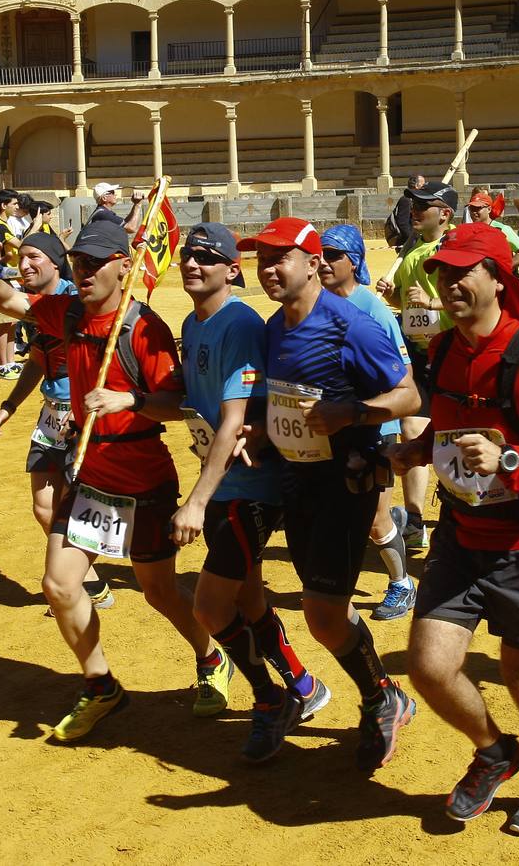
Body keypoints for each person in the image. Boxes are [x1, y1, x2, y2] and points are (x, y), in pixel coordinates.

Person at [0, 220, 231, 742]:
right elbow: (8, 302)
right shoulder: (67, 312)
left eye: (95, 262)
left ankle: (210, 658)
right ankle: (100, 685)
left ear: (124, 264)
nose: (84, 271)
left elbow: (176, 405)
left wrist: (129, 401)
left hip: (142, 474)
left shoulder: (145, 328)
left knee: (158, 590)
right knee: (59, 584)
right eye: (78, 263)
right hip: (89, 475)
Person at [391, 222, 519, 835]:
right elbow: (446, 429)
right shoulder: (445, 349)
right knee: (428, 667)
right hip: (460, 536)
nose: (447, 281)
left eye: (461, 271)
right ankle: (494, 752)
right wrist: (419, 451)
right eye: (443, 271)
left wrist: (509, 460)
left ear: (497, 279)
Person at [246, 216, 422, 772]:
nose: (269, 269)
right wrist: (261, 430)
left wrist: (352, 412)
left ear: (312, 261)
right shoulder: (273, 328)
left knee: (322, 612)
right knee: (324, 609)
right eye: (262, 259)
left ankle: (381, 697)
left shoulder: (350, 326)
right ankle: (382, 696)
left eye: (280, 258)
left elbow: (408, 395)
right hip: (296, 483)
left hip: (345, 484)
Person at [168, 222, 329, 761]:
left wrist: (194, 500)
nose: (193, 264)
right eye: (188, 255)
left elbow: (235, 422)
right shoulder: (194, 324)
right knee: (248, 597)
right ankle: (303, 685)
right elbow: (196, 407)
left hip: (249, 486)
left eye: (208, 257)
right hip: (222, 482)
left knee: (211, 608)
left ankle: (268, 698)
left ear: (231, 270)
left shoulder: (237, 324)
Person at [0, 231, 113, 615]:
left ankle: (68, 583)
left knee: (77, 505)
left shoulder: (77, 302)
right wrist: (9, 405)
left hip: (83, 417)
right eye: (20, 258)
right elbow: (39, 358)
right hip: (51, 415)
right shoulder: (43, 307)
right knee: (43, 508)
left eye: (34, 257)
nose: (24, 266)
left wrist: (86, 401)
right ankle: (91, 583)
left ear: (56, 262)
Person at [318, 222, 417, 621]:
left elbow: (402, 379)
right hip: (332, 428)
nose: (323, 262)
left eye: (333, 255)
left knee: (376, 520)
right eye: (320, 255)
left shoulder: (373, 310)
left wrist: (380, 422)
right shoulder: (317, 304)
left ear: (354, 261)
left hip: (374, 427)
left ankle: (402, 584)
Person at [376, 180, 459, 552]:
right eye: (415, 204)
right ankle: (414, 519)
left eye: (425, 204)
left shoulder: (458, 245)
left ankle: (457, 514)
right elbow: (409, 306)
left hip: (456, 353)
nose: (416, 209)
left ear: (445, 213)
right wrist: (392, 294)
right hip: (419, 353)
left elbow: (481, 296)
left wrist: (434, 302)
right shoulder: (412, 252)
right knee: (412, 430)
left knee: (456, 436)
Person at [0, 189, 24, 379]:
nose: (17, 206)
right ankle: (3, 363)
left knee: (12, 320)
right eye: (14, 203)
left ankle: (10, 361)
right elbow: (21, 245)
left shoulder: (5, 224)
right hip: (3, 276)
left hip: (10, 275)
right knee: (5, 320)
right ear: (3, 205)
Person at [468, 190, 519, 257]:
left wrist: (506, 266)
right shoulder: (468, 231)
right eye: (472, 208)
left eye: (478, 208)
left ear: (489, 209)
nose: (474, 212)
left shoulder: (502, 229)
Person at [384, 174, 424, 252]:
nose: (424, 187)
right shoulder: (406, 200)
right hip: (405, 241)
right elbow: (403, 223)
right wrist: (412, 240)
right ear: (416, 186)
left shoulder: (413, 200)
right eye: (423, 184)